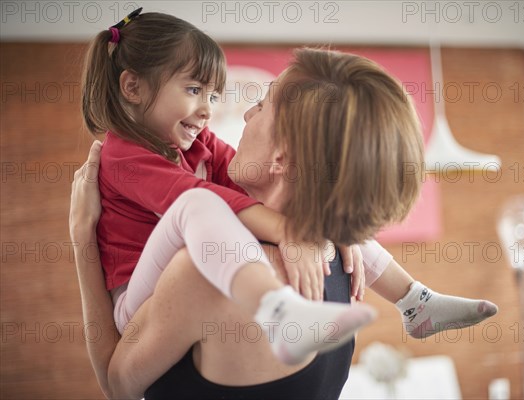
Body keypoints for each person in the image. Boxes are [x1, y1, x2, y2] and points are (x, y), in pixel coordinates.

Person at [71, 44, 498, 399]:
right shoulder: (335, 254)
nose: (244, 116)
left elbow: (118, 384)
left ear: (282, 157)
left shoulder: (206, 273)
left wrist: (82, 238)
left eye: (260, 105)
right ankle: (417, 301)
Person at [81, 7, 377, 372]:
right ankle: (279, 313)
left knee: (214, 204)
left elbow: (240, 183)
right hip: (136, 305)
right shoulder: (122, 155)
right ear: (133, 87)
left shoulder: (197, 141)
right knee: (197, 202)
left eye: (213, 96)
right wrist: (291, 232)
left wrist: (324, 225)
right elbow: (209, 198)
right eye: (193, 90)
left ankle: (412, 298)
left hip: (168, 280)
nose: (207, 110)